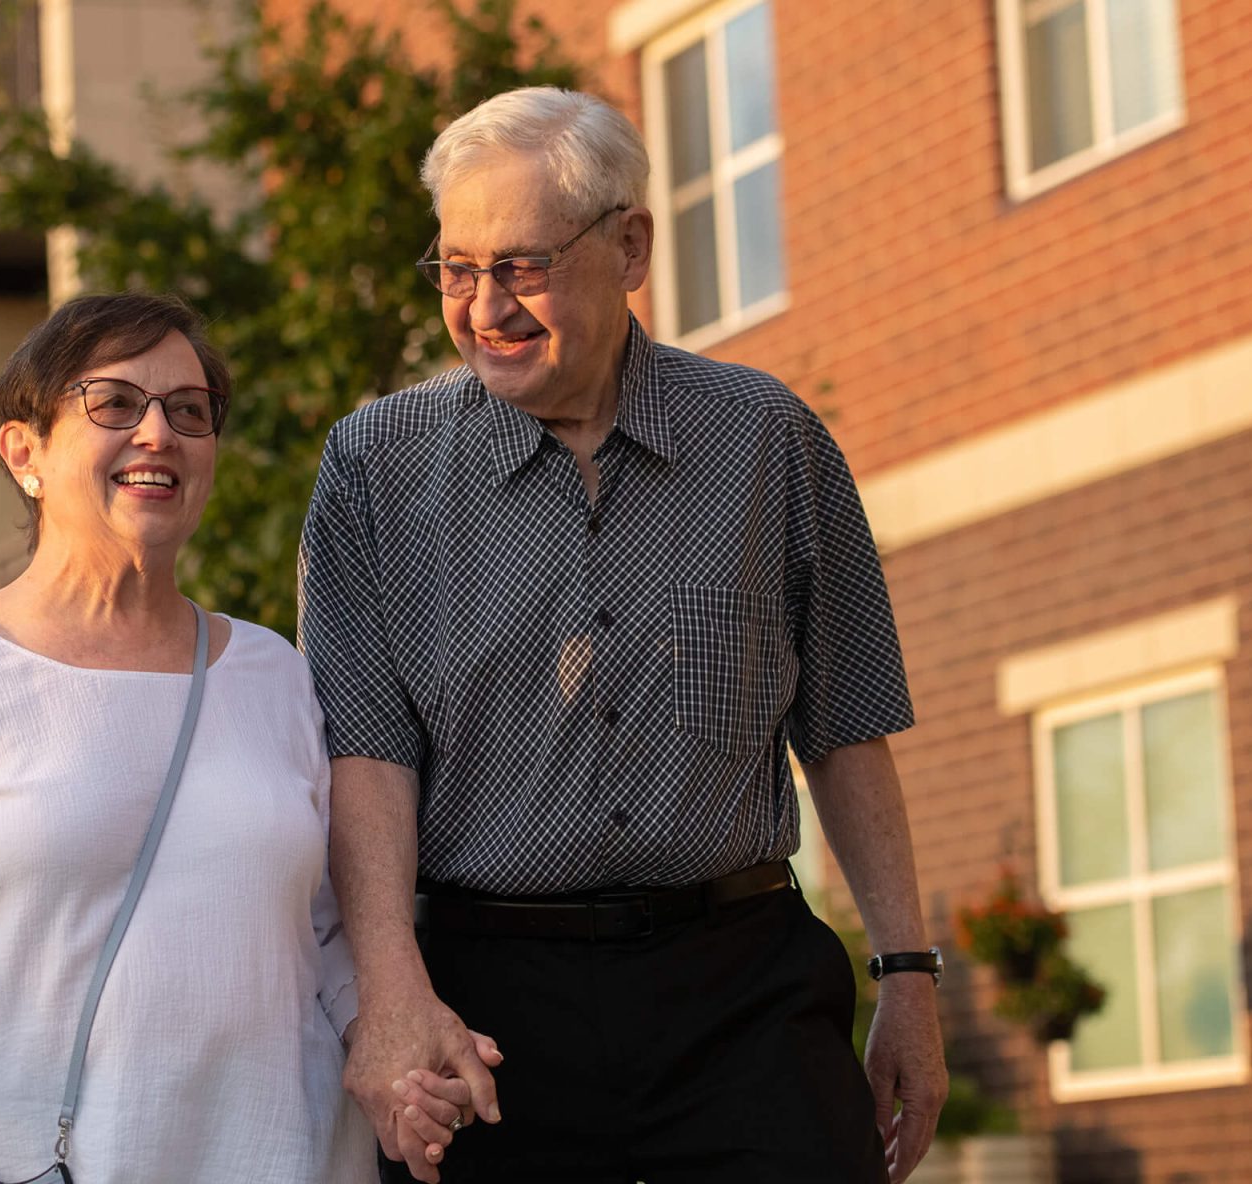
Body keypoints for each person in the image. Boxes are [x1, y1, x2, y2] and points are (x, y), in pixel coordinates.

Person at [302, 87, 949, 1183]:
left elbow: (844, 728)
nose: (482, 306)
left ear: (630, 245)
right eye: (456, 268)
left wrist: (909, 975)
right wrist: (392, 992)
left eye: (520, 265)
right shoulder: (376, 467)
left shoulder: (767, 440)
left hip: (740, 988)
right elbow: (368, 757)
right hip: (491, 1005)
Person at [0, 293, 469, 1183]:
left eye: (189, 410)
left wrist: (391, 1054)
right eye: (115, 404)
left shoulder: (276, 674)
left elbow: (323, 938)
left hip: (273, 1157)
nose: (159, 434)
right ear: (26, 452)